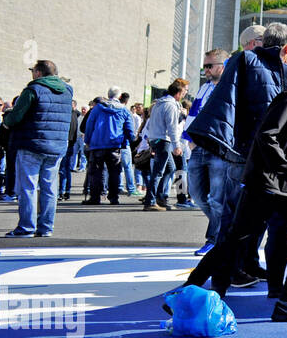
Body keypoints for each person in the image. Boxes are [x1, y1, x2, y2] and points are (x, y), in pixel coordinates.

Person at [182, 49, 287, 318]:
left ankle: (286, 302)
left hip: (279, 184)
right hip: (268, 182)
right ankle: (187, 292)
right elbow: (266, 136)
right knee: (235, 241)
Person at [187, 23, 287, 285]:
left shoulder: (246, 62)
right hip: (268, 157)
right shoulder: (286, 71)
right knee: (257, 219)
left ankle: (231, 271)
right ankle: (239, 273)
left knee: (237, 217)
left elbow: (227, 103)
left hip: (241, 151)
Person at [2, 60, 74, 238]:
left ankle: (26, 227)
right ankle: (46, 228)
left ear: (39, 73)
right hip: (56, 145)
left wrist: (7, 119)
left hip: (32, 144)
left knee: (28, 187)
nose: (32, 74)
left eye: (33, 71)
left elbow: (15, 117)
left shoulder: (32, 89)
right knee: (50, 188)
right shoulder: (67, 91)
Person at [186, 50, 229, 255]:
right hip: (198, 147)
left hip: (219, 148)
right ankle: (222, 230)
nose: (206, 70)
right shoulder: (204, 88)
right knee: (196, 193)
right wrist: (189, 140)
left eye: (209, 66)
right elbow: (192, 114)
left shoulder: (230, 87)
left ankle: (215, 239)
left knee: (217, 197)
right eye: (204, 66)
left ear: (222, 66)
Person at [141, 79, 188, 211]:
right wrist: (176, 145)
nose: (185, 94)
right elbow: (172, 128)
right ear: (178, 92)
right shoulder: (171, 105)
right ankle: (150, 201)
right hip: (163, 141)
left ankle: (159, 198)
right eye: (184, 91)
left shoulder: (158, 104)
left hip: (155, 139)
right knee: (158, 172)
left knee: (169, 169)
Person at [83, 88, 134, 205]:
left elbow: (89, 124)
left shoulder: (97, 108)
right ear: (119, 96)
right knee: (114, 172)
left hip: (97, 144)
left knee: (96, 172)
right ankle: (114, 197)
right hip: (114, 144)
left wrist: (88, 140)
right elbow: (130, 129)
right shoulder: (124, 110)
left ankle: (95, 197)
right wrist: (127, 141)